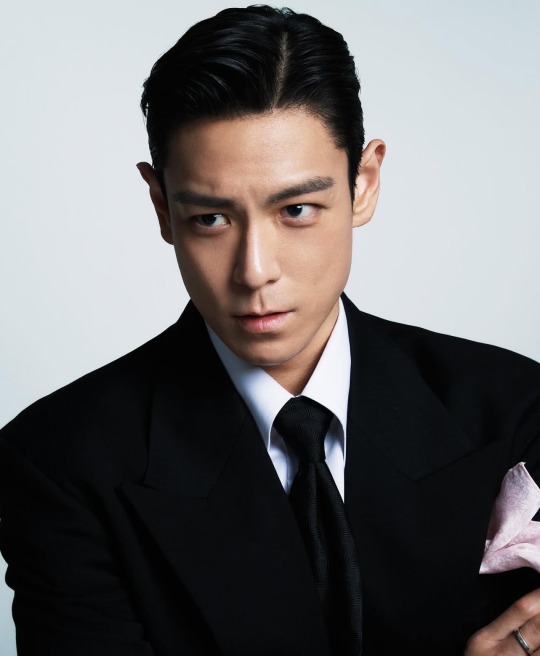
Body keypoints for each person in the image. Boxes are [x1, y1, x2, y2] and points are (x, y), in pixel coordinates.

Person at [0, 5, 539, 655]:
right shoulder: (61, 461)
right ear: (161, 205)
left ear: (364, 183)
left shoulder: (514, 407)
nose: (255, 270)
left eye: (297, 209)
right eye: (211, 219)